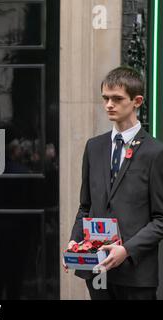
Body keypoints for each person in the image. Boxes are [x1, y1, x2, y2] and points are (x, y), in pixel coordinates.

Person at [65, 66, 163, 299]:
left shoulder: (155, 152)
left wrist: (126, 250)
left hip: (137, 274)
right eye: (106, 98)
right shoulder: (93, 147)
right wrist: (74, 241)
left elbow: (160, 219)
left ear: (137, 101)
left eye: (117, 99)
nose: (109, 104)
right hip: (97, 271)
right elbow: (85, 207)